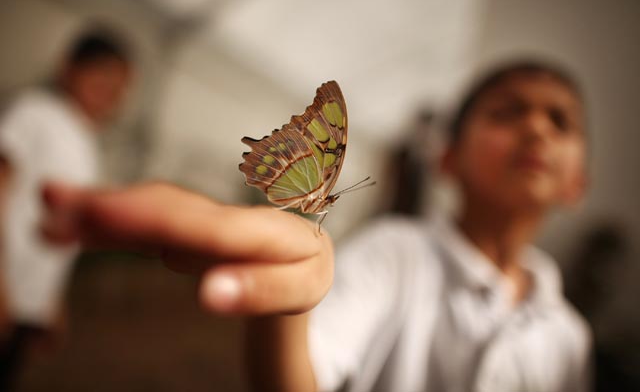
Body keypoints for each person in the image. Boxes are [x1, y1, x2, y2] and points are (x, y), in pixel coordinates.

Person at [39, 60, 590, 392]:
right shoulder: (393, 253)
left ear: (577, 182)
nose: (536, 128)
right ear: (446, 160)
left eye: (558, 120)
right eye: (506, 112)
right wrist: (293, 299)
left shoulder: (570, 337)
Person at [0, 28, 132, 389]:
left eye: (120, 86)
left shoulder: (86, 139)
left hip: (25, 302)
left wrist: (49, 303)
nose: (110, 93)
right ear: (68, 67)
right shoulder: (34, 112)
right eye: (102, 76)